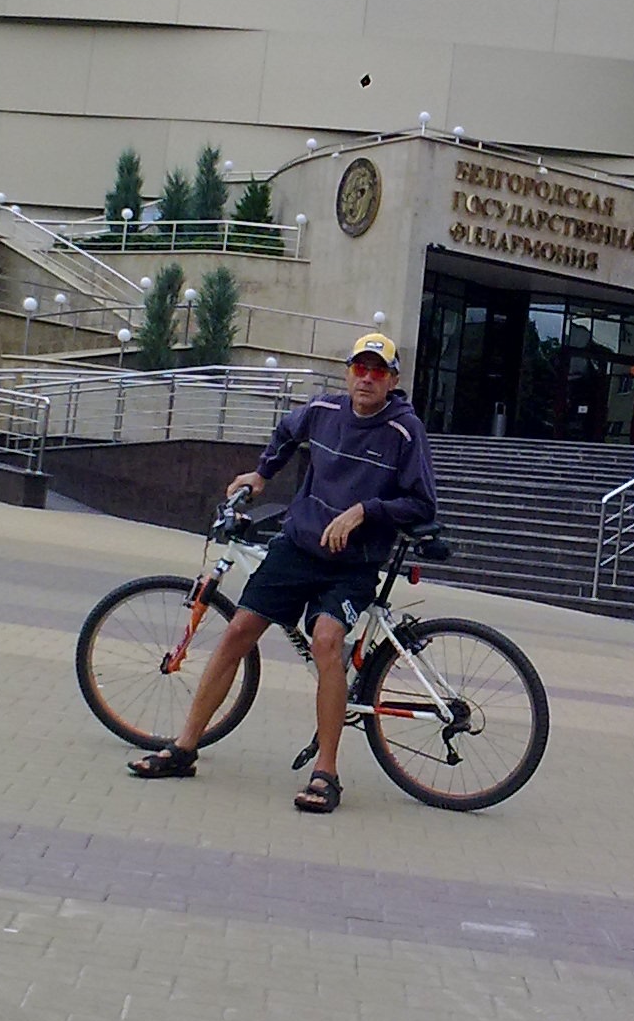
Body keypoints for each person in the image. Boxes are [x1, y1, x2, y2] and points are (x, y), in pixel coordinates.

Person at [127, 332, 437, 812]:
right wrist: (262, 474)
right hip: (298, 547)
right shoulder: (323, 411)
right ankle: (184, 748)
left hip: (354, 563)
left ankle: (326, 773)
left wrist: (364, 511)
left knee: (327, 641)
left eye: (379, 371)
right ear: (348, 373)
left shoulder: (404, 431)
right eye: (360, 368)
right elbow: (287, 433)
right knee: (238, 631)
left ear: (393, 380)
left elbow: (422, 503)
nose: (367, 378)